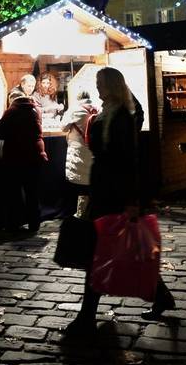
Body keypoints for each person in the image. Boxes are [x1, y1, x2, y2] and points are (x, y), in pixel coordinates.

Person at [67, 67, 175, 337]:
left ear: (113, 85)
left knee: (101, 253)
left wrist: (131, 199)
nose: (98, 87)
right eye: (97, 82)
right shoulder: (107, 111)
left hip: (114, 192)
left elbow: (128, 161)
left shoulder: (121, 116)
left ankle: (87, 316)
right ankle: (160, 295)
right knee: (114, 250)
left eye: (102, 82)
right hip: (104, 189)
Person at [0, 88, 48, 231]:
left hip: (16, 155)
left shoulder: (11, 111)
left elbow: (0, 131)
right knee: (32, 191)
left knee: (14, 191)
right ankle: (34, 223)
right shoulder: (36, 110)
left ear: (13, 100)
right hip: (36, 153)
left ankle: (14, 223)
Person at [63, 91, 97, 218]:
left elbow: (63, 127)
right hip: (92, 150)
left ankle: (79, 213)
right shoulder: (95, 109)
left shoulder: (74, 110)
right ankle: (88, 212)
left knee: (78, 185)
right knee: (88, 182)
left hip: (78, 150)